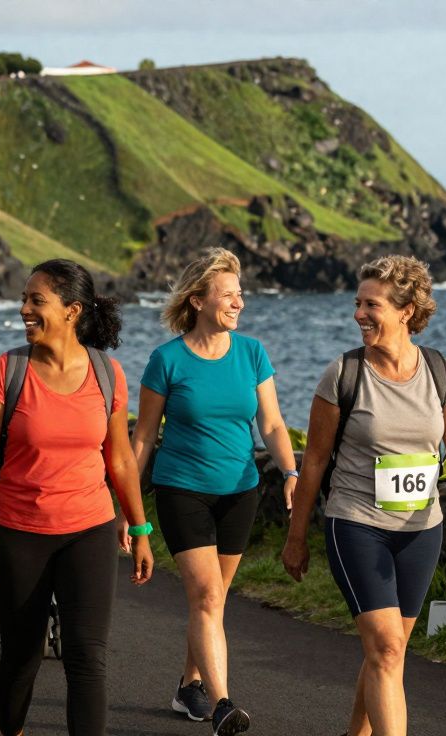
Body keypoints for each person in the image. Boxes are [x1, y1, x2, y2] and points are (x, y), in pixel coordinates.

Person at [281, 254, 446, 736]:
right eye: (358, 303)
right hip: (355, 522)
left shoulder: (442, 372)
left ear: (407, 311)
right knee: (384, 649)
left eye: (372, 304)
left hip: (420, 531)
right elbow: (314, 461)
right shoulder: (343, 374)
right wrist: (297, 535)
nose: (359, 314)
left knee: (390, 651)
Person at [0, 259, 155, 736]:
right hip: (17, 532)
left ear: (72, 310)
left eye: (36, 300)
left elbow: (121, 460)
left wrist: (140, 527)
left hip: (88, 530)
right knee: (22, 656)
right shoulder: (9, 369)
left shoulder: (107, 373)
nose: (24, 308)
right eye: (25, 299)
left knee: (87, 657)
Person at [131, 248, 297, 735]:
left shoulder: (252, 353)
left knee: (214, 600)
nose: (238, 303)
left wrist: (289, 471)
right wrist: (128, 503)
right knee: (206, 595)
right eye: (228, 295)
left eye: (240, 295)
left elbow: (271, 423)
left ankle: (189, 686)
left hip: (240, 491)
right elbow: (143, 437)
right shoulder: (167, 360)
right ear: (198, 299)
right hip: (182, 490)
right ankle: (224, 705)